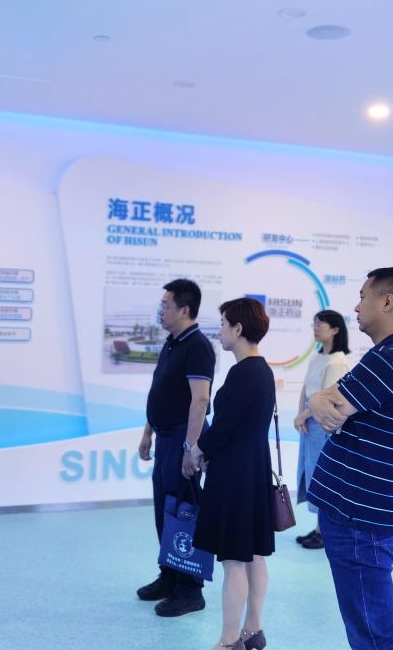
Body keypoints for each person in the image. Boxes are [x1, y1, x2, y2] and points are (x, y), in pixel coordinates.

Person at [307, 267, 393, 650]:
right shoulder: (389, 354)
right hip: (360, 518)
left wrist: (321, 402)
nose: (356, 307)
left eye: (362, 296)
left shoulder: (389, 357)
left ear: (387, 301)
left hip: (360, 522)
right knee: (368, 629)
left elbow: (333, 407)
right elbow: (324, 402)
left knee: (373, 636)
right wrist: (316, 400)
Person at [189, 297, 275, 650]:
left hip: (235, 475)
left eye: (224, 324)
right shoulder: (262, 369)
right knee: (253, 554)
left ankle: (228, 642)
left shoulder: (243, 373)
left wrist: (198, 449)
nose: (220, 331)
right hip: (253, 470)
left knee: (234, 560)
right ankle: (253, 630)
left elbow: (224, 427)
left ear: (238, 329)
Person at [136, 279, 215, 617]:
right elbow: (160, 392)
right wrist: (147, 433)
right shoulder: (172, 343)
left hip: (184, 438)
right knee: (165, 511)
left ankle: (190, 589)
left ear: (184, 309)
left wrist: (190, 447)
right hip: (166, 437)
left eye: (166, 304)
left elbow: (200, 400)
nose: (161, 310)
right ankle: (169, 575)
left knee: (184, 512)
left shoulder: (197, 346)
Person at [293, 310, 351, 550]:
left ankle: (324, 532)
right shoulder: (318, 357)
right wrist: (301, 413)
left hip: (322, 425)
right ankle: (319, 529)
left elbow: (328, 398)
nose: (315, 328)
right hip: (310, 423)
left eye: (320, 324)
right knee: (311, 475)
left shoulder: (338, 361)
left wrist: (304, 415)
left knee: (322, 477)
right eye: (314, 323)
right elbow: (306, 388)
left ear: (335, 329)